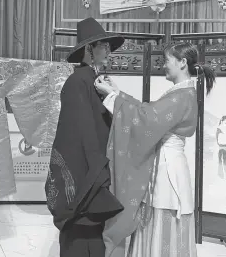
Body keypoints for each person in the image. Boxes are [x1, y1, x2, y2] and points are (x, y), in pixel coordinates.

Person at [94, 42, 216, 257]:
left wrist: (113, 98)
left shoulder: (182, 95)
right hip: (165, 163)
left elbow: (147, 118)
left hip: (167, 169)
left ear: (182, 62)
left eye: (167, 60)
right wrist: (117, 93)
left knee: (161, 216)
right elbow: (148, 112)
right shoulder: (181, 93)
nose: (163, 65)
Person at [45, 17, 125, 257]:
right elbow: (79, 134)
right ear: (89, 49)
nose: (108, 49)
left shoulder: (94, 81)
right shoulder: (77, 82)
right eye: (103, 45)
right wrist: (97, 171)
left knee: (92, 238)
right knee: (81, 239)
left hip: (93, 169)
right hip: (84, 174)